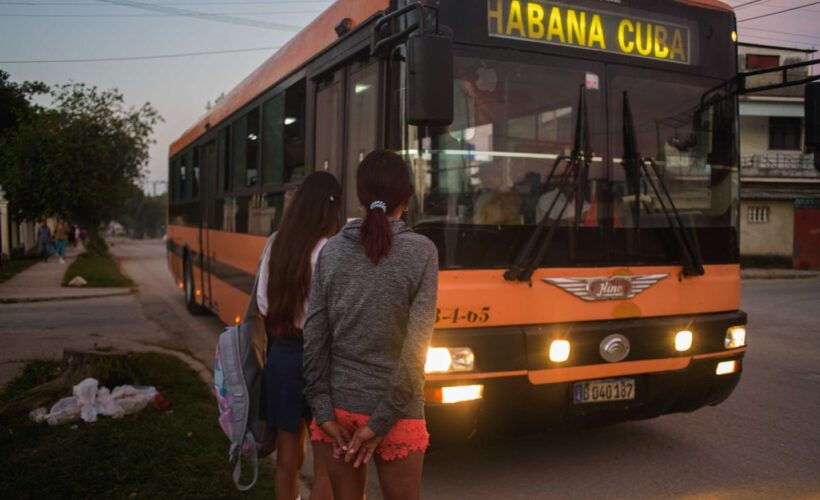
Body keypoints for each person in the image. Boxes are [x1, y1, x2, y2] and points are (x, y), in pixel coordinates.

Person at [303, 150, 439, 500]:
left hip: (338, 412)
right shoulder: (422, 252)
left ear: (360, 198)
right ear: (407, 198)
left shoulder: (331, 251)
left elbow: (315, 337)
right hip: (399, 411)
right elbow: (416, 349)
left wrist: (322, 411)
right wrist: (381, 422)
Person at [257, 171, 341, 500]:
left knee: (287, 461)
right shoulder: (330, 250)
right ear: (329, 208)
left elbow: (263, 303)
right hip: (320, 360)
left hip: (282, 356)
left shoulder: (276, 242)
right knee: (325, 467)